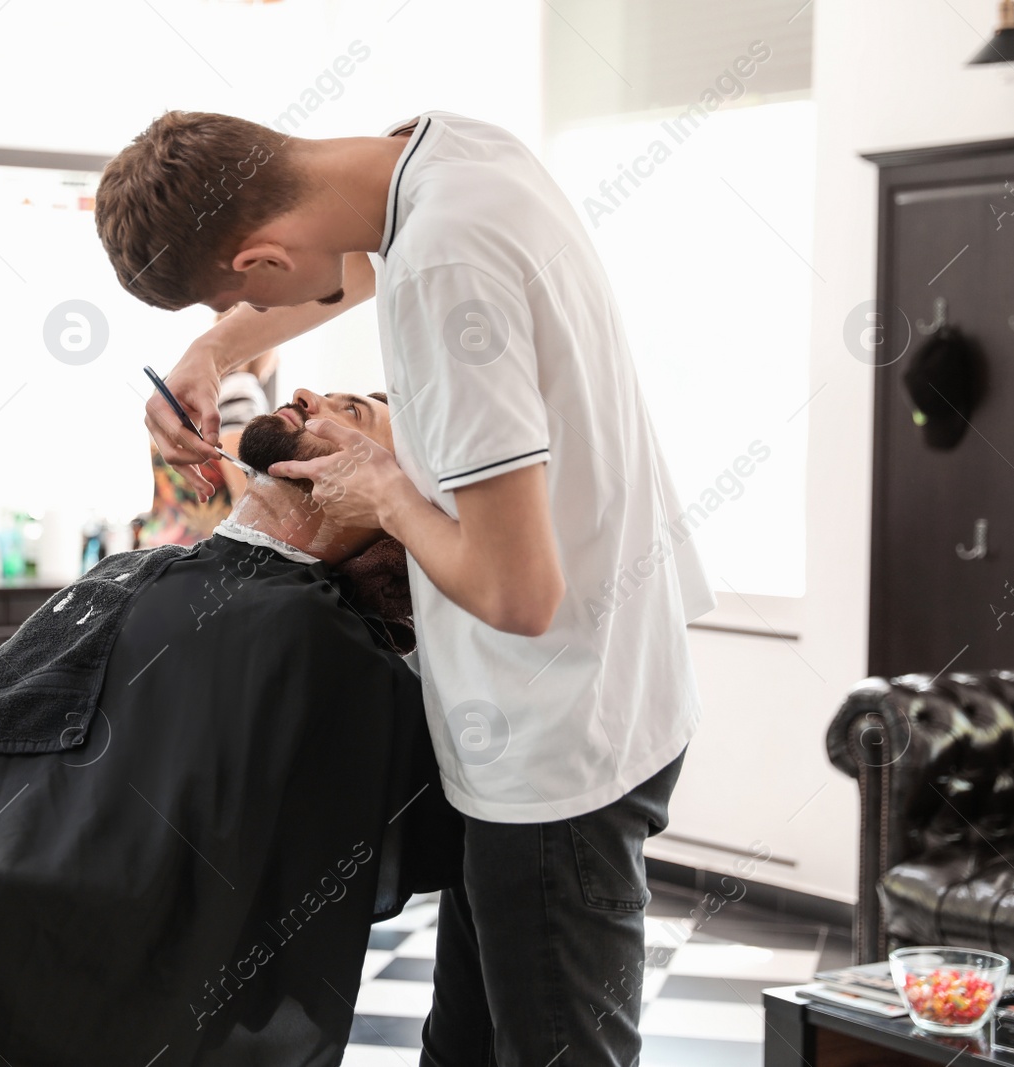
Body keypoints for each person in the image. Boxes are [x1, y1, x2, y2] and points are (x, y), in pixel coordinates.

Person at [95, 110, 715, 1065]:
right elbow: (346, 266)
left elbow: (521, 596)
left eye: (230, 301)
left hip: (551, 743)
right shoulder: (453, 154)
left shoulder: (440, 274)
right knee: (463, 1048)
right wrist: (211, 352)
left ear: (260, 257)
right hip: (590, 692)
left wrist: (381, 491)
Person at [0, 390, 460, 1066]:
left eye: (354, 415)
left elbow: (429, 826)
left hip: (28, 905)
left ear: (386, 495)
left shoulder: (322, 642)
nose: (309, 395)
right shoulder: (147, 567)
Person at [136, 312, 278, 547]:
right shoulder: (241, 388)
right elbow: (245, 495)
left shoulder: (173, 388)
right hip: (206, 553)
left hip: (157, 543)